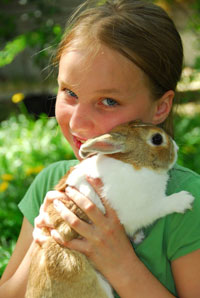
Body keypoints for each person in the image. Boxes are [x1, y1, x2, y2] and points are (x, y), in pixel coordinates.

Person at [0, 0, 200, 297]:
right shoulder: (53, 183)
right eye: (70, 92)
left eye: (108, 101)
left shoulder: (187, 200)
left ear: (161, 107)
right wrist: (45, 243)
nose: (78, 123)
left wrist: (122, 265)